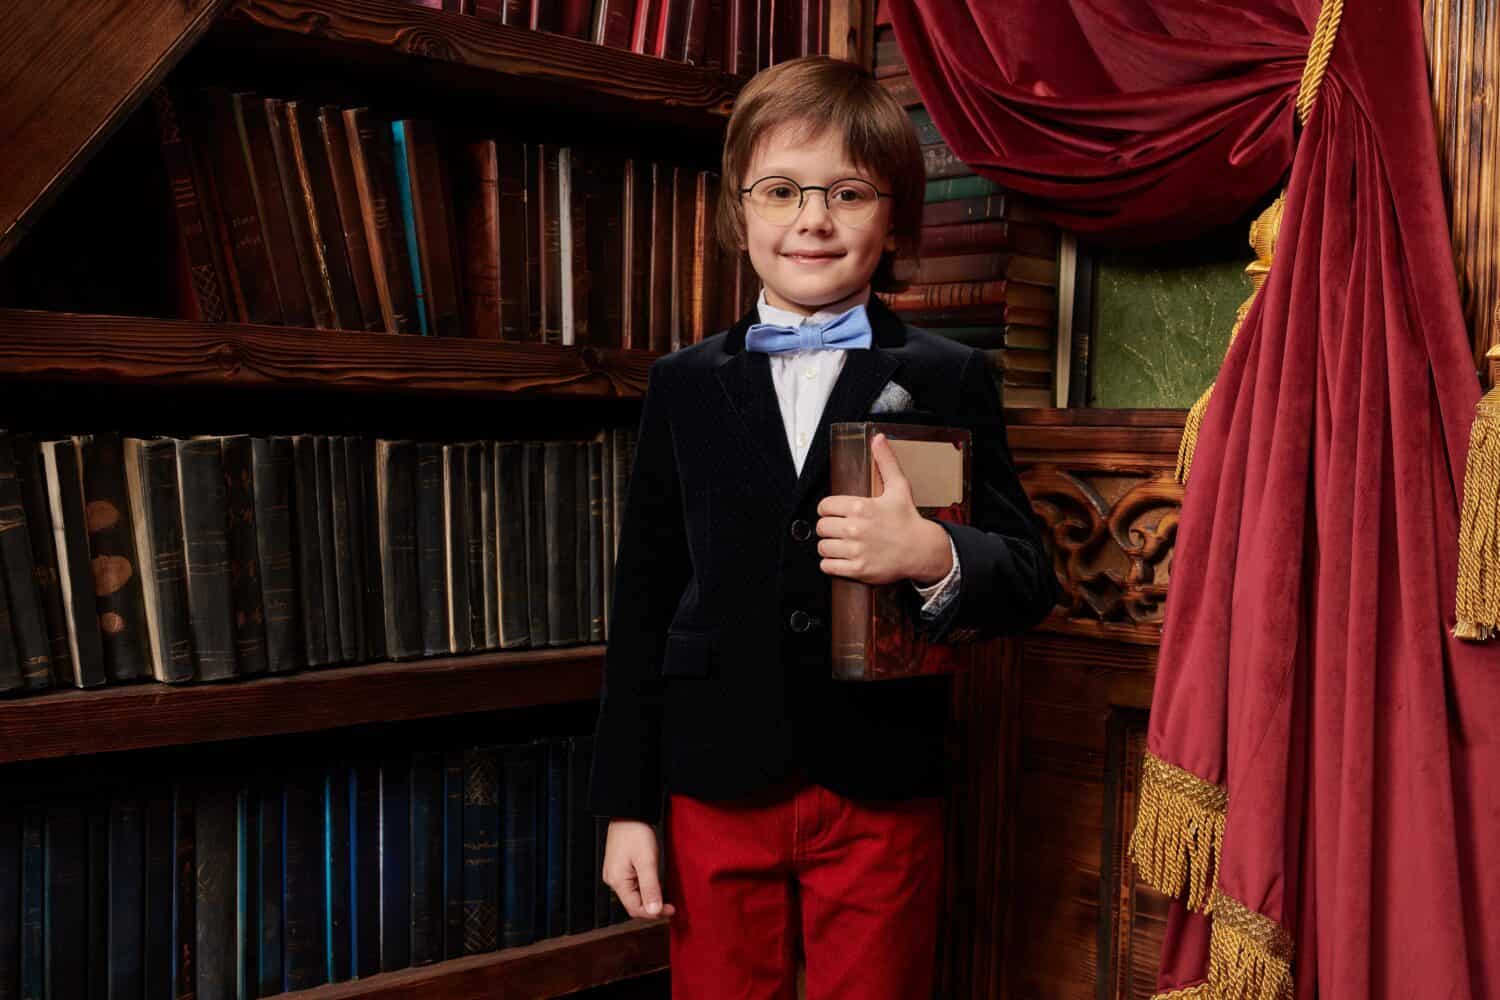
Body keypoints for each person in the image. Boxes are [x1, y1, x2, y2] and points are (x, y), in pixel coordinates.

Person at [588, 54, 1057, 999]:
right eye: (781, 190)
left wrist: (933, 553)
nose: (813, 218)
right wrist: (626, 809)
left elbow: (1031, 576)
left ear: (895, 221)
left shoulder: (946, 376)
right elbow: (642, 604)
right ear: (739, 211)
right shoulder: (683, 384)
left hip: (881, 781)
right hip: (715, 779)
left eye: (848, 192)